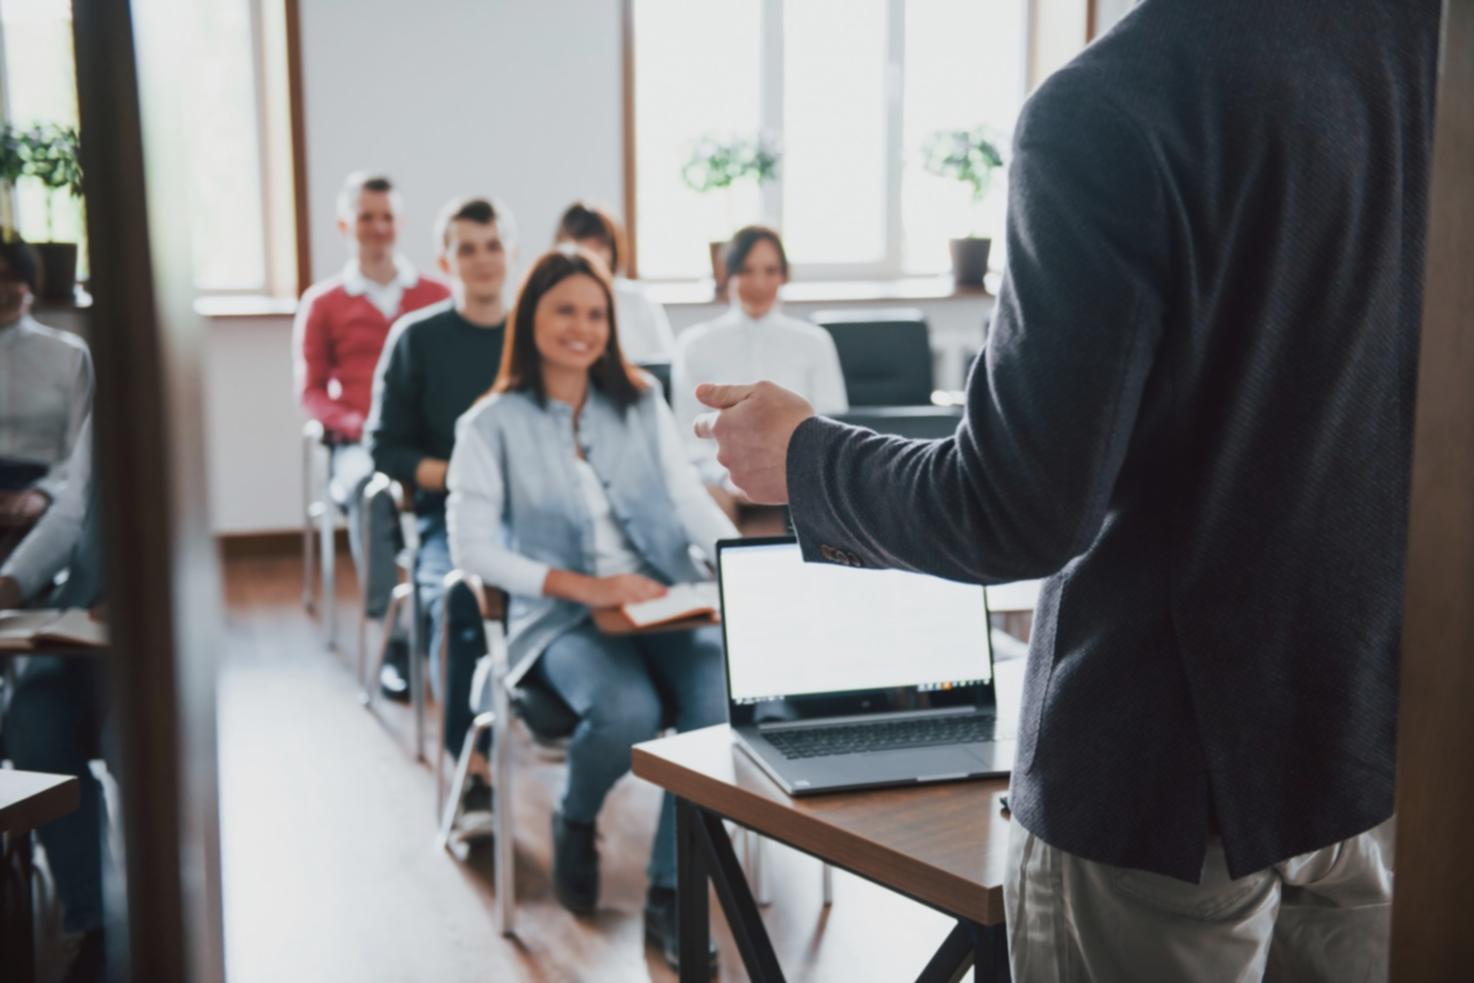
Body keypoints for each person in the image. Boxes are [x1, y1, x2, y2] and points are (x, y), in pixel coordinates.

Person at [692, 1, 1436, 978]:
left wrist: (804, 458)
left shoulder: (1113, 105)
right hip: (1370, 748)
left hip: (1161, 786)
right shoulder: (1423, 49)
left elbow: (1013, 509)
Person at [446, 246, 733, 974]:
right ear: (529, 318)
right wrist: (586, 588)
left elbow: (684, 497)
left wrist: (741, 568)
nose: (582, 327)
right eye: (564, 310)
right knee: (627, 709)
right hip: (562, 615)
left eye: (596, 313)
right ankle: (577, 816)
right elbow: (473, 549)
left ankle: (672, 889)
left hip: (663, 597)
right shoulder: (490, 423)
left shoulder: (639, 402)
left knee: (716, 699)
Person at [366, 196, 512, 778]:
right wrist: (461, 477)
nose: (482, 260)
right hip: (447, 517)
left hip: (536, 517)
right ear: (444, 260)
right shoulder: (416, 339)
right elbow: (386, 450)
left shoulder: (540, 336)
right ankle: (471, 767)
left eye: (494, 245)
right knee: (459, 601)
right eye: (467, 249)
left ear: (512, 253)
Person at [293, 172, 450, 699]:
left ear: (400, 223)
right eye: (367, 217)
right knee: (370, 490)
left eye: (387, 217)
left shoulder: (436, 294)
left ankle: (461, 625)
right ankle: (397, 634)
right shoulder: (324, 302)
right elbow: (312, 391)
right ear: (346, 224)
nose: (378, 228)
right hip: (359, 443)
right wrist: (355, 425)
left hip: (427, 441)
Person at [2, 416, 109, 983]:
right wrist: (11, 582)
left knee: (127, 735)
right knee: (33, 718)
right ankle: (92, 921)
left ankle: (155, 913)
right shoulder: (104, 407)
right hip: (83, 610)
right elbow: (71, 512)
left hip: (149, 622)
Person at [671, 226, 846, 507]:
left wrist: (790, 476)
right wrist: (726, 478)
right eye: (746, 270)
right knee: (703, 500)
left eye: (770, 270)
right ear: (727, 274)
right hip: (722, 482)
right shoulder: (694, 344)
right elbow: (685, 436)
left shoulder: (814, 342)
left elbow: (833, 422)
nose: (759, 283)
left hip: (797, 480)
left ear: (783, 276)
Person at [0, 238, 92, 559]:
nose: (2, 288)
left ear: (30, 286)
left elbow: (80, 446)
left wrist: (44, 493)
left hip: (44, 482)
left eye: (11, 276)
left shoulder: (68, 353)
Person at [553, 201, 675, 362]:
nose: (590, 255)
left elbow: (664, 362)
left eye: (599, 246)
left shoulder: (637, 301)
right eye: (581, 244)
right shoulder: (549, 300)